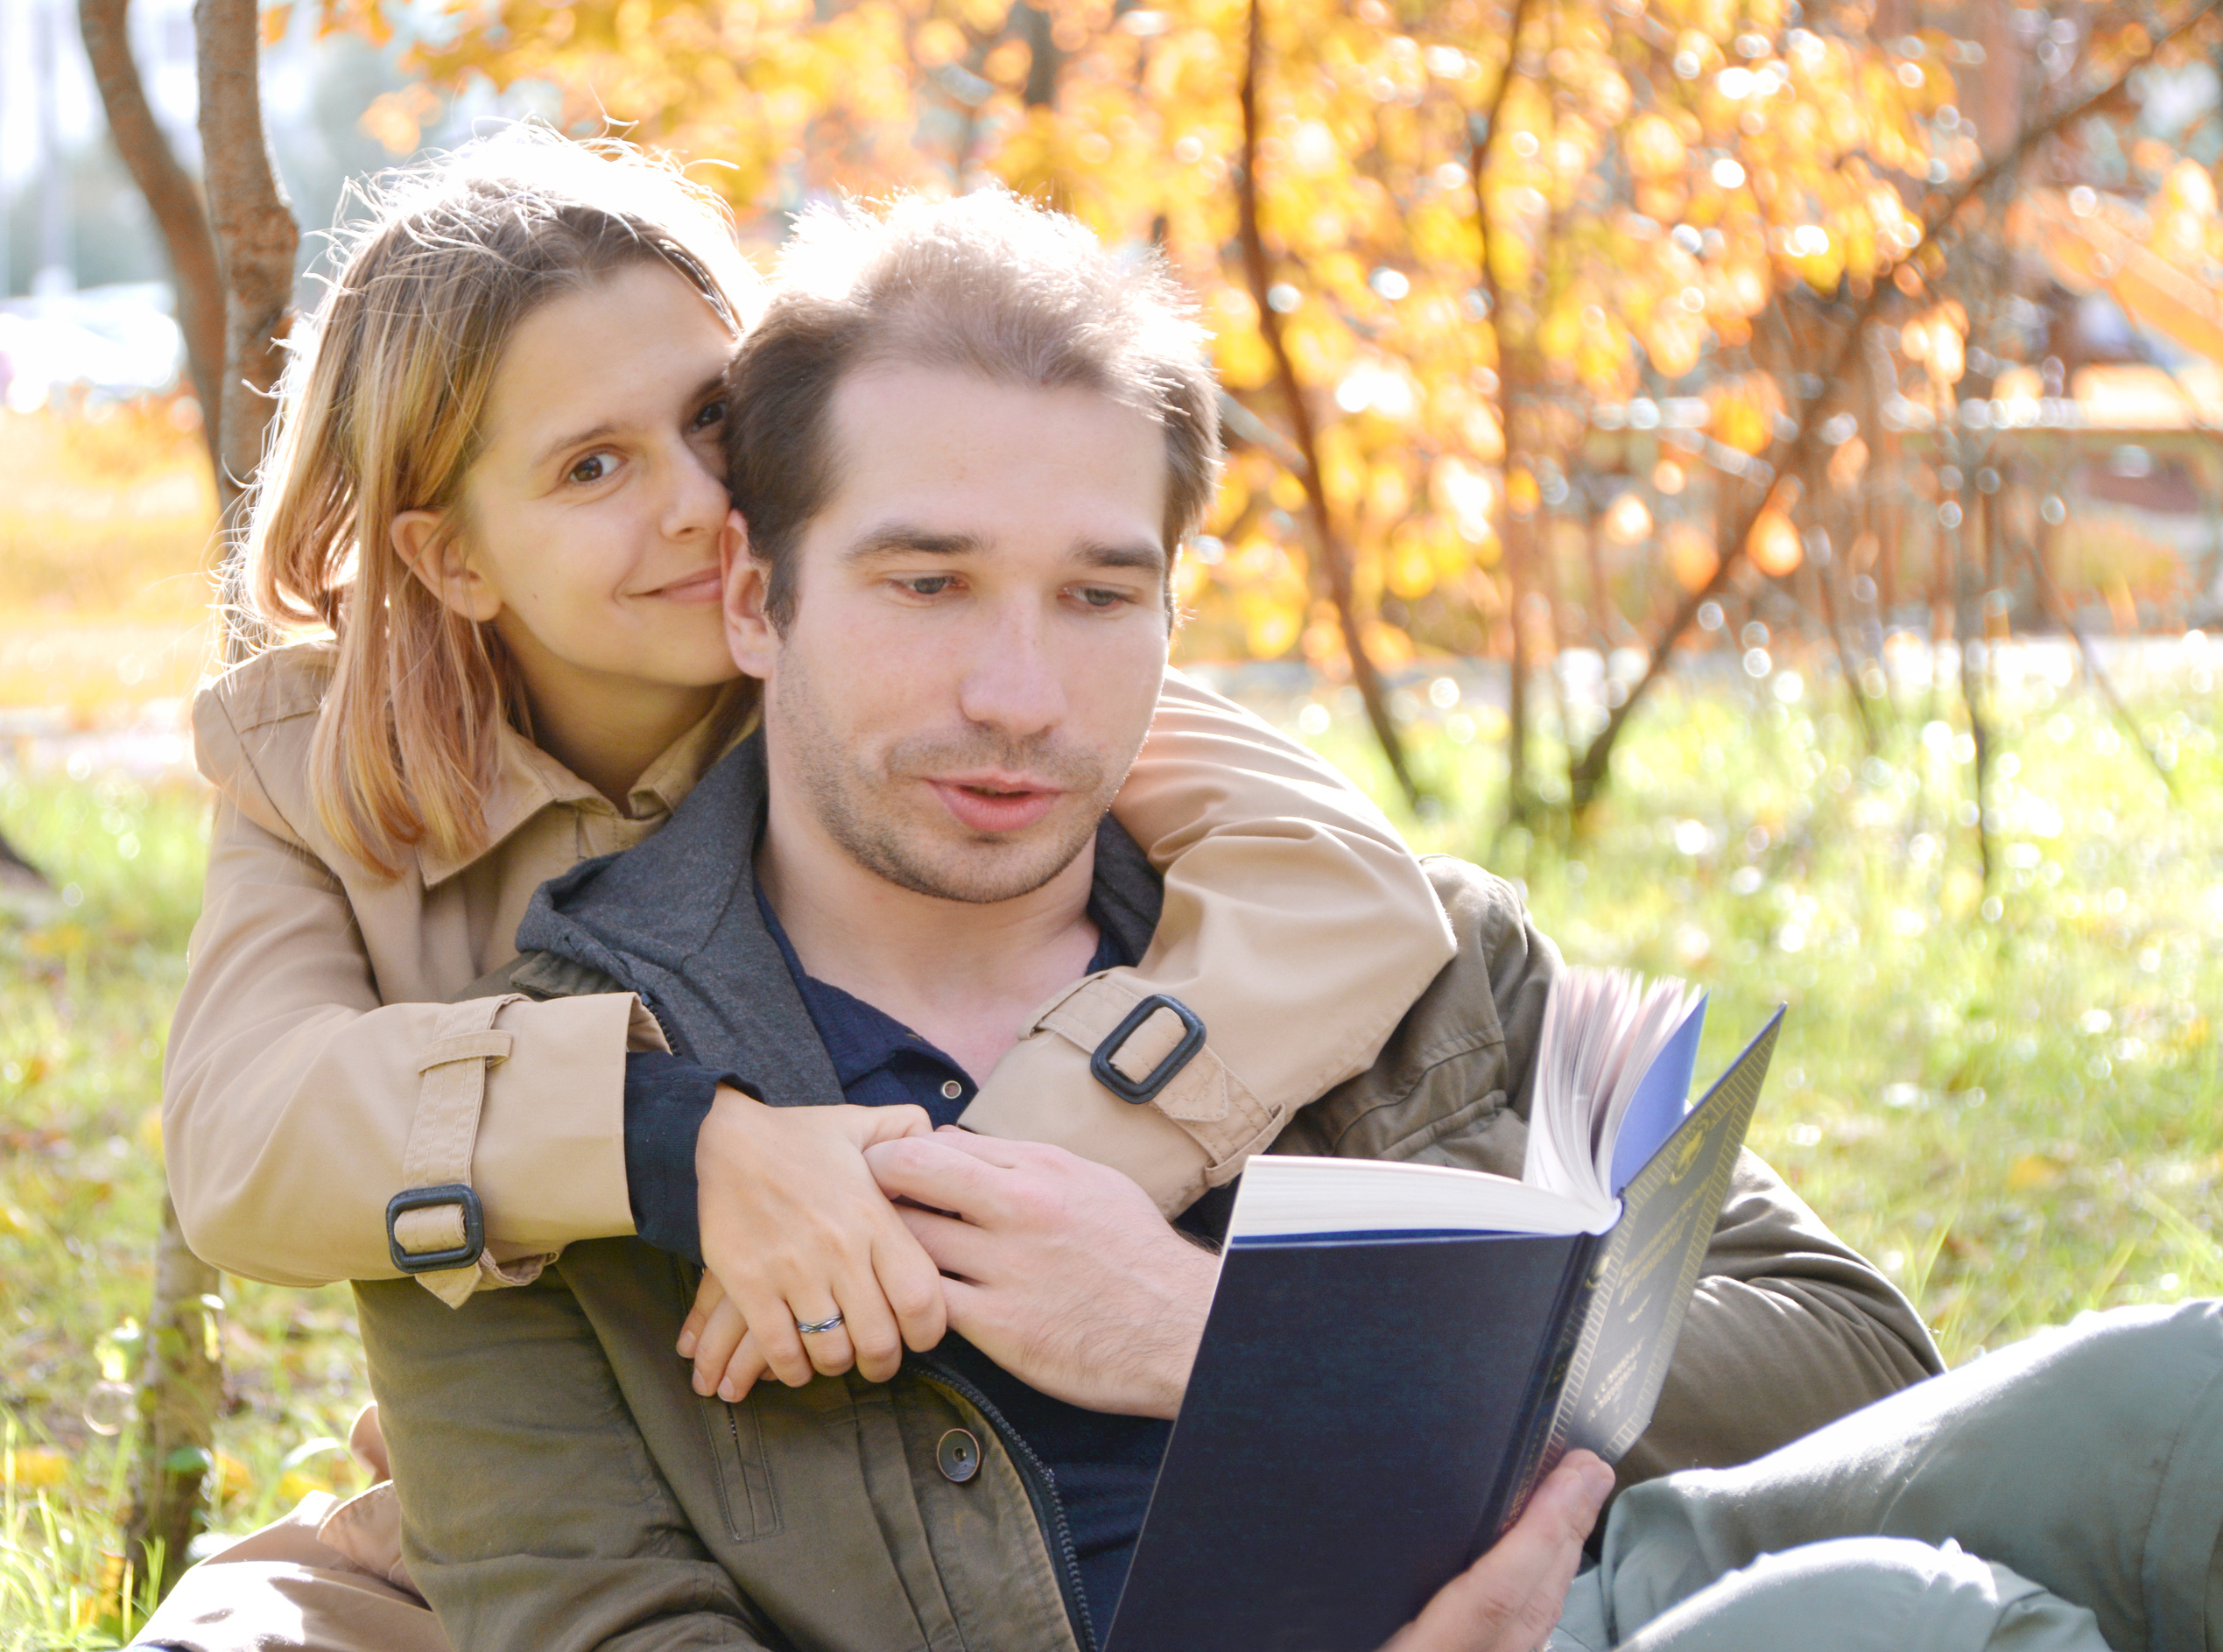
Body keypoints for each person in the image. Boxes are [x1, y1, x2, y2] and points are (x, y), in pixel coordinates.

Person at [339, 186, 1943, 1652]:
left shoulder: (1408, 956)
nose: (1020, 698)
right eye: (928, 585)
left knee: (2144, 1428)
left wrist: (1232, 1340)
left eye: (1100, 598)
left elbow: (1861, 1362)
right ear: (757, 601)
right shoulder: (538, 1135)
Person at [135, 126, 1475, 1652]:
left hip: (846, 1461)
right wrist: (685, 1148)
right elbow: (243, 1136)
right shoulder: (330, 762)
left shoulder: (912, 675)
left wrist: (934, 1210)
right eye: (593, 467)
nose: (705, 506)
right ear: (453, 561)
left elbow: (1341, 885)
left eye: (713, 419)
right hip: (517, 1493)